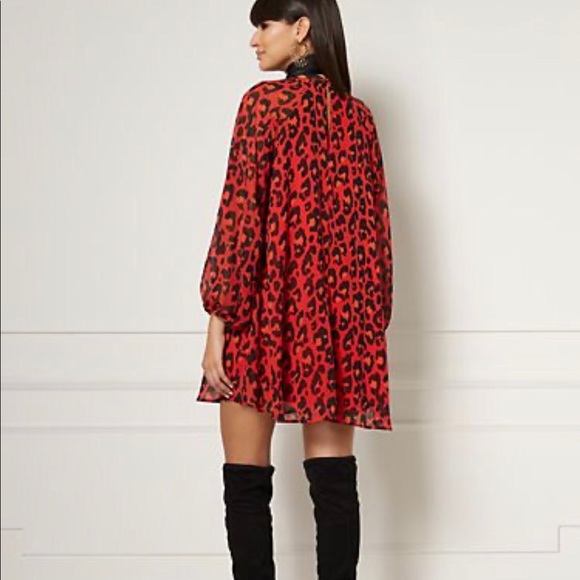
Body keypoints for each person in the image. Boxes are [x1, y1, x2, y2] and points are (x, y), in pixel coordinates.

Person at [197, 1, 394, 578]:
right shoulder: (357, 119)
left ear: (302, 27)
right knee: (334, 483)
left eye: (265, 25)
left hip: (259, 314)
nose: (255, 40)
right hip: (334, 321)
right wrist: (363, 327)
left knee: (245, 480)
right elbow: (375, 234)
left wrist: (217, 321)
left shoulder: (263, 106)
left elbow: (239, 218)